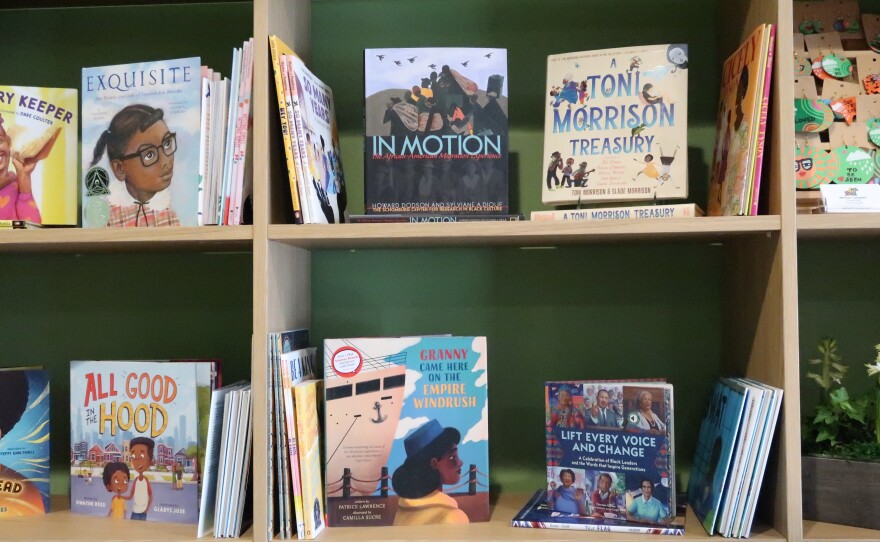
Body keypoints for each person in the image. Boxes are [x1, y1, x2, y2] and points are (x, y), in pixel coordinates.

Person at [88, 104, 179, 227]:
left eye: (167, 144)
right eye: (149, 155)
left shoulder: (171, 211)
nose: (166, 161)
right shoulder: (108, 217)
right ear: (119, 169)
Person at [391, 419, 468, 525]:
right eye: (452, 457)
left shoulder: (403, 509)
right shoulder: (452, 517)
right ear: (434, 463)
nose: (460, 463)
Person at [0, 114, 43, 223]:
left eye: (0, 141)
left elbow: (33, 227)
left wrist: (24, 175)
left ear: (8, 143)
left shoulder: (16, 184)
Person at [126, 437, 154, 520]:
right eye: (134, 456)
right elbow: (130, 495)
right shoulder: (136, 480)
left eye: (141, 456)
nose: (137, 460)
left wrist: (147, 509)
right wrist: (120, 497)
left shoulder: (146, 481)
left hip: (142, 513)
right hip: (134, 512)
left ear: (149, 460)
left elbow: (151, 496)